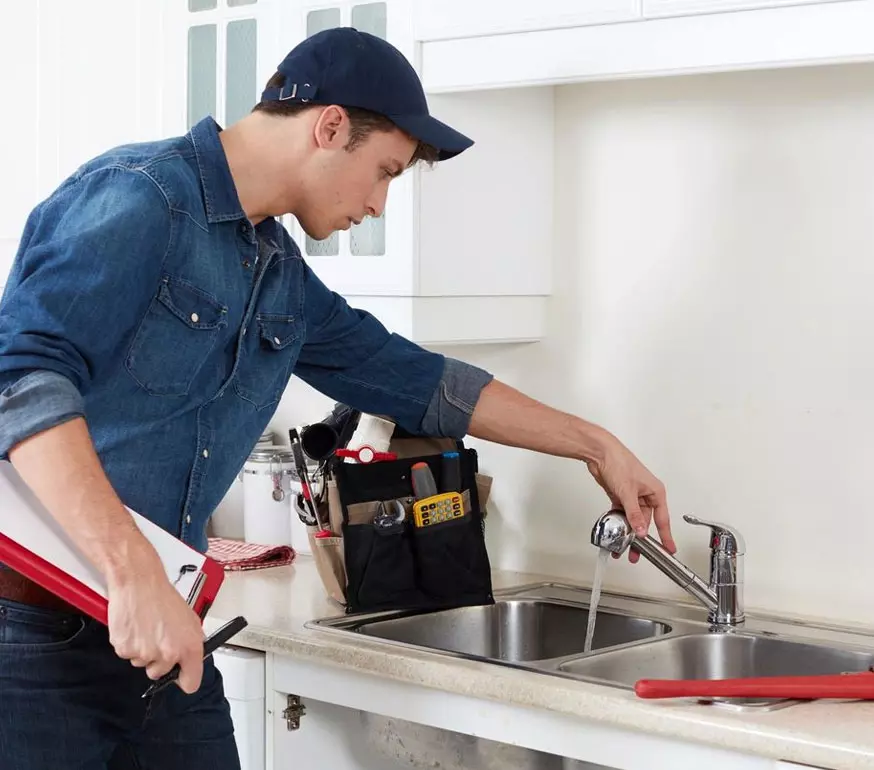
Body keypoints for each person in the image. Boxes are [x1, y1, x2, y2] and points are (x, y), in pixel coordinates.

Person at [0, 27, 675, 770]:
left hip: (163, 633)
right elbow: (20, 383)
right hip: (33, 637)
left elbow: (417, 380)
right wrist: (130, 573)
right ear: (328, 127)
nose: (380, 204)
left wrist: (597, 444)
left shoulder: (277, 274)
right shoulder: (141, 199)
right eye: (384, 170)